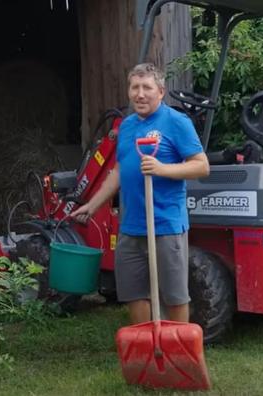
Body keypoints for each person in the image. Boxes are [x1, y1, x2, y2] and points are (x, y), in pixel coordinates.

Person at [71, 63, 209, 324]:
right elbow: (120, 171)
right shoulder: (127, 126)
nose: (140, 94)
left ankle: (178, 352)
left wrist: (162, 169)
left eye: (147, 87)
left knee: (174, 296)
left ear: (161, 91)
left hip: (165, 225)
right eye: (135, 87)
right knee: (135, 295)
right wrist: (93, 204)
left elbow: (201, 166)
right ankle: (147, 353)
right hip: (131, 228)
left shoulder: (176, 122)